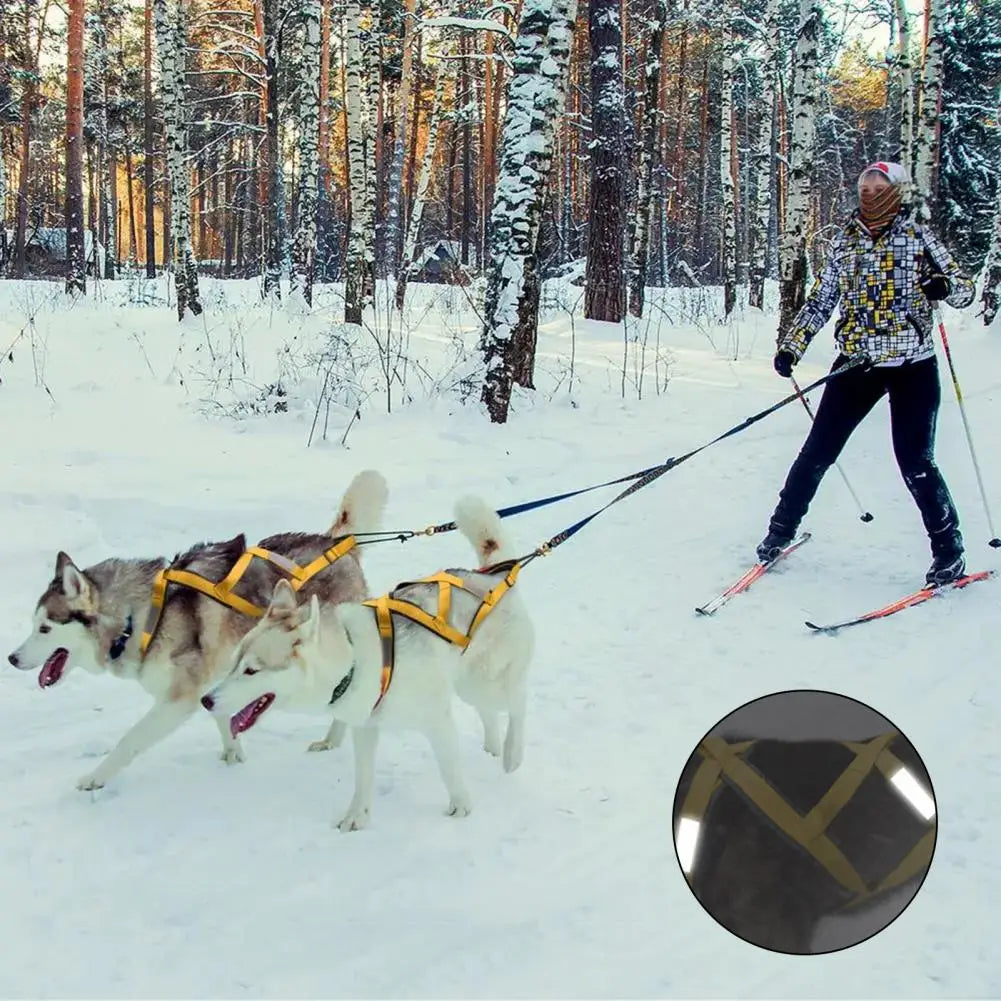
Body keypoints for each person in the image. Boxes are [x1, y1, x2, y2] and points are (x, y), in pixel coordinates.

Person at [757, 161, 976, 585]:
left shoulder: (919, 237)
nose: (871, 194)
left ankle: (949, 552)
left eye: (880, 187)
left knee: (916, 462)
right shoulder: (845, 242)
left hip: (912, 364)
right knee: (817, 453)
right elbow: (821, 300)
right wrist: (792, 345)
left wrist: (944, 288)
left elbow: (964, 288)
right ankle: (779, 532)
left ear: (897, 193)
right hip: (856, 363)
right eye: (865, 187)